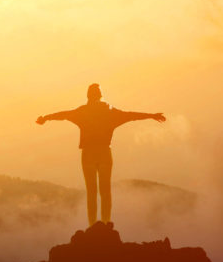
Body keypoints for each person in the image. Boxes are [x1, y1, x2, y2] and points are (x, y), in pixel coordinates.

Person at [36, 83, 165, 227]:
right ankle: (106, 224)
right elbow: (131, 116)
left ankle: (92, 226)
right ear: (100, 95)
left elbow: (63, 115)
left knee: (92, 192)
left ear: (88, 96)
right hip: (104, 152)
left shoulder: (82, 112)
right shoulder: (110, 112)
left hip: (88, 154)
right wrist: (152, 116)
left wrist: (46, 118)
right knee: (105, 191)